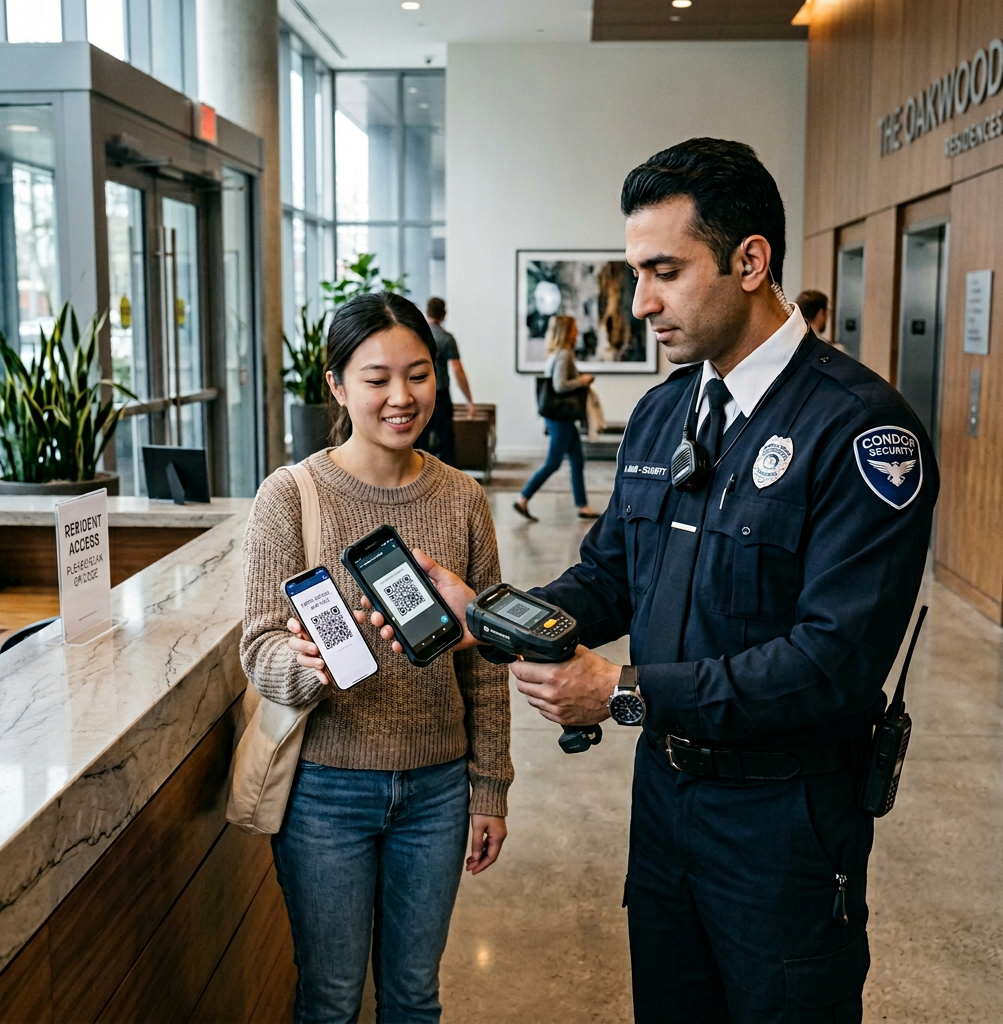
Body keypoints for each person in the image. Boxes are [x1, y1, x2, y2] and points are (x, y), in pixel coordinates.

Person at [366, 139, 939, 1022]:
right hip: (666, 808)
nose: (641, 304)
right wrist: (486, 617)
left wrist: (624, 692)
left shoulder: (860, 432)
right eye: (635, 272)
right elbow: (610, 578)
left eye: (665, 271)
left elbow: (832, 664)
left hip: (783, 820)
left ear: (751, 260)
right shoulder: (666, 409)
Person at [240, 291, 513, 1024]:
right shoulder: (288, 497)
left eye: (419, 374)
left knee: (413, 996)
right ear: (335, 385)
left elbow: (483, 662)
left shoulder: (462, 499)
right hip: (326, 791)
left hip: (438, 790)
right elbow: (257, 647)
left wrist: (490, 786)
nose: (403, 397)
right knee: (330, 998)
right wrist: (305, 665)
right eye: (377, 377)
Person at [514, 314, 599, 522]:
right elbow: (560, 385)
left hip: (560, 416)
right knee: (553, 462)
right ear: (566, 331)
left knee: (577, 459)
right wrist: (583, 380)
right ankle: (522, 498)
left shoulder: (556, 353)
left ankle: (583, 505)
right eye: (573, 328)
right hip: (562, 416)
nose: (577, 332)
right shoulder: (563, 354)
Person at [424, 297, 475, 466]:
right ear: (444, 314)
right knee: (446, 440)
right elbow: (457, 370)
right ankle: (449, 484)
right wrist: (469, 400)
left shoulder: (417, 336)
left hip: (420, 395)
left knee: (420, 441)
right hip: (440, 396)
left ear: (427, 312)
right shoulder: (446, 338)